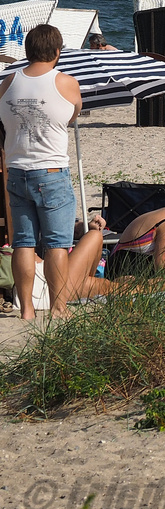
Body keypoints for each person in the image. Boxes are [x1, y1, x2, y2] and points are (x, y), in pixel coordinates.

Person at [1, 24, 83, 319]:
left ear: (27, 51)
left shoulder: (8, 82)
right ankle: (59, 307)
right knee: (57, 243)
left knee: (23, 241)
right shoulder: (65, 82)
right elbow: (73, 112)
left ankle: (26, 310)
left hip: (17, 170)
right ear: (57, 52)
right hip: (50, 171)